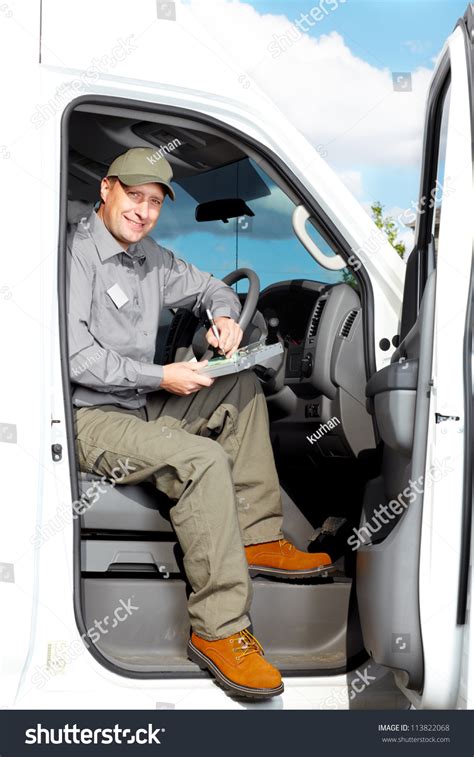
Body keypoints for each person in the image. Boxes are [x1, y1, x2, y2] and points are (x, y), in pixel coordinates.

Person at [67, 147, 334, 699]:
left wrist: (224, 320)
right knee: (203, 459)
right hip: (86, 416)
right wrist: (162, 375)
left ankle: (258, 537)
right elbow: (77, 359)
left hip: (139, 404)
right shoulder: (75, 255)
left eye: (154, 203)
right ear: (106, 190)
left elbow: (213, 288)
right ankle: (220, 632)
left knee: (237, 385)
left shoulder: (152, 260)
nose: (142, 212)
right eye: (134, 197)